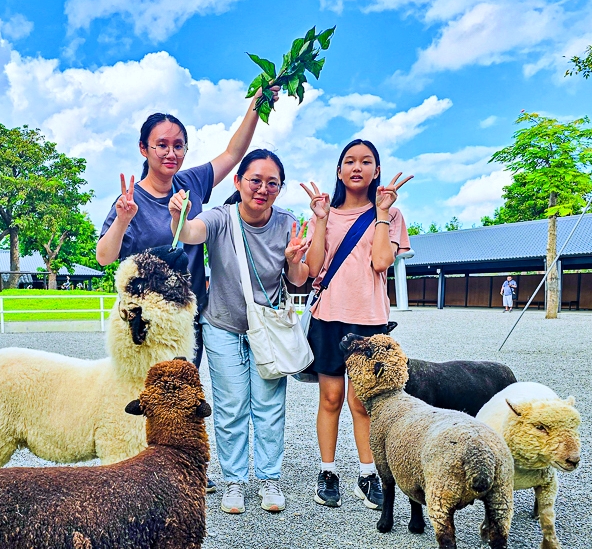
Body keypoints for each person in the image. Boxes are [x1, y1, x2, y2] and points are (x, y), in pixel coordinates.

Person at [169, 150, 311, 515]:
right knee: (231, 405)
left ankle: (269, 478)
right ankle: (234, 480)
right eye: (255, 180)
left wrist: (295, 261)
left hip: (268, 327)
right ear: (238, 182)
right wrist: (178, 217)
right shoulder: (220, 217)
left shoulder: (287, 223)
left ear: (279, 188)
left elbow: (297, 280)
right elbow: (191, 232)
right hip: (222, 325)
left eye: (272, 183)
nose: (262, 189)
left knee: (269, 404)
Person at [96, 88, 280, 367]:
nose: (171, 152)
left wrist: (257, 104)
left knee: (184, 398)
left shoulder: (191, 182)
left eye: (179, 145)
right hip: (146, 321)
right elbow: (104, 257)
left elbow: (233, 153)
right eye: (162, 145)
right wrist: (123, 220)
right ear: (144, 148)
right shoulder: (131, 201)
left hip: (189, 316)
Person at [302, 139, 412, 511]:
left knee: (363, 401)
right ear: (339, 170)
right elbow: (314, 268)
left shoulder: (392, 215)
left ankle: (369, 474)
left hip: (370, 319)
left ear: (377, 171)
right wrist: (319, 221)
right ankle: (328, 470)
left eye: (366, 162)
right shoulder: (325, 213)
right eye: (349, 161)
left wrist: (382, 213)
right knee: (331, 398)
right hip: (328, 318)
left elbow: (382, 261)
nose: (357, 167)